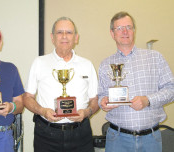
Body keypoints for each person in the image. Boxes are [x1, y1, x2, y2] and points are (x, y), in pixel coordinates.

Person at [98, 11, 174, 152]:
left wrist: (148, 100)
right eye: (119, 28)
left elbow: (171, 89)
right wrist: (103, 102)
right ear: (112, 33)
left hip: (151, 138)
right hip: (118, 139)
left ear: (134, 30)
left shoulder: (155, 57)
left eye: (129, 27)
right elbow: (101, 95)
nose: (125, 31)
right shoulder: (105, 64)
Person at [23, 17, 99, 152]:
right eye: (60, 32)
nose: (64, 36)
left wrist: (86, 112)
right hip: (47, 134)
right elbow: (27, 97)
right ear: (52, 37)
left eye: (69, 32)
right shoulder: (39, 62)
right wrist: (42, 111)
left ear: (76, 38)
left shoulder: (87, 64)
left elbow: (95, 100)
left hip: (80, 134)